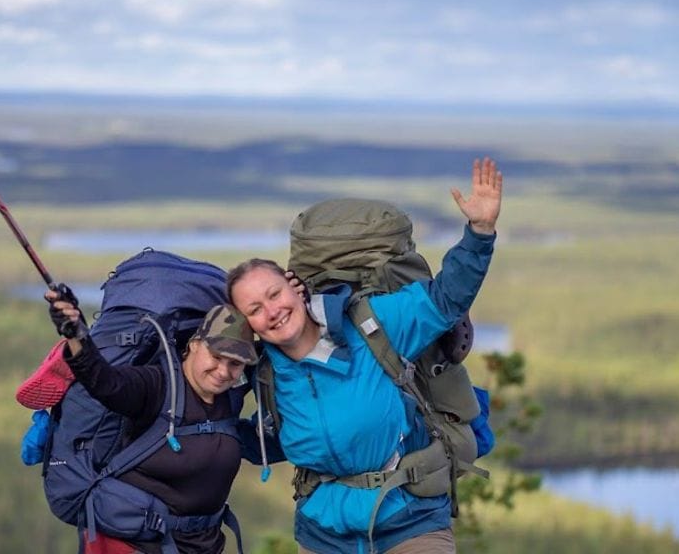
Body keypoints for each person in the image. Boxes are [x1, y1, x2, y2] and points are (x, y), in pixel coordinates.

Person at [226, 157, 503, 554]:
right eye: (255, 309)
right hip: (322, 533)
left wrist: (480, 232)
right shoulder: (267, 373)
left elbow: (446, 299)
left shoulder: (372, 323)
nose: (272, 311)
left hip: (410, 521)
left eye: (274, 294)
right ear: (249, 323)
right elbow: (255, 438)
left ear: (294, 287)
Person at [42, 294, 257, 554]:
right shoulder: (155, 385)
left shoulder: (230, 396)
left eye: (235, 363)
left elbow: (284, 346)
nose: (223, 371)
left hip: (203, 544)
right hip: (131, 543)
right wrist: (76, 334)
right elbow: (107, 383)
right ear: (194, 344)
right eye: (216, 356)